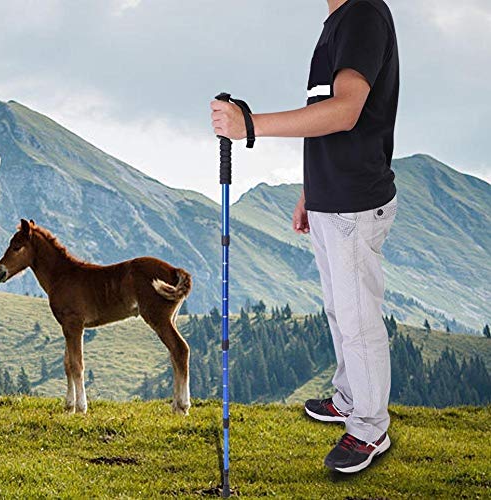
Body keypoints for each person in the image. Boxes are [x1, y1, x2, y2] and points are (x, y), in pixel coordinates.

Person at [210, 0, 399, 474]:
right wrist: (311, 190)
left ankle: (370, 428)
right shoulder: (337, 22)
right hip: (332, 199)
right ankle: (350, 397)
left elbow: (346, 111)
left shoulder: (362, 15)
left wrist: (250, 126)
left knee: (357, 320)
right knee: (341, 310)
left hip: (354, 202)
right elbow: (326, 120)